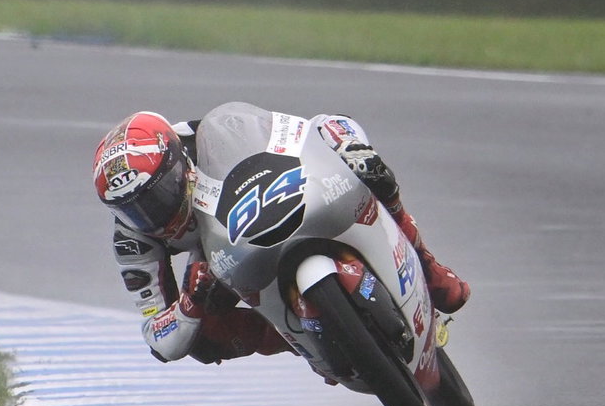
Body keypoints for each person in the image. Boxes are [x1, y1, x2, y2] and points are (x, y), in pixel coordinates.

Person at [92, 102, 470, 365]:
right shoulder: (132, 241)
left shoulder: (203, 137)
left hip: (266, 198)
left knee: (364, 164)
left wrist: (347, 147)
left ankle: (428, 268)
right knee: (200, 342)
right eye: (133, 209)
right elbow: (159, 338)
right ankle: (305, 341)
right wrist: (190, 301)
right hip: (216, 257)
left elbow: (309, 127)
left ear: (179, 163)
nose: (152, 214)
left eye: (158, 193)